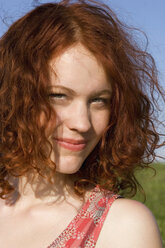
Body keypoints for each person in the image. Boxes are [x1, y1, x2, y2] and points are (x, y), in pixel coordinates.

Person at [0, 0, 164, 247]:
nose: (82, 123)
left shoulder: (124, 227)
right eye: (59, 96)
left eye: (99, 100)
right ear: (13, 95)